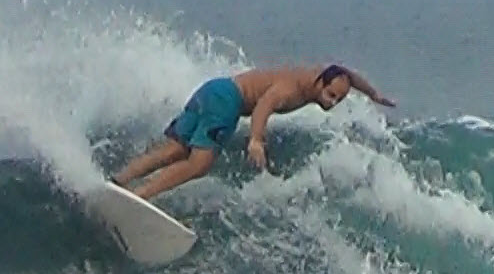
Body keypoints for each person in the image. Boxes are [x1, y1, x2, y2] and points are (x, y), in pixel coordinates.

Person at [110, 64, 395, 199]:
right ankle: (141, 195)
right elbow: (264, 106)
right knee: (199, 164)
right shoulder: (292, 89)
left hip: (212, 89)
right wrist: (256, 140)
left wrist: (372, 94)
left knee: (175, 150)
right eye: (330, 95)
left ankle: (121, 180)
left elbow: (348, 74)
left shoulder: (319, 75)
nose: (332, 103)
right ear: (321, 84)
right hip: (227, 101)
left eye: (338, 100)